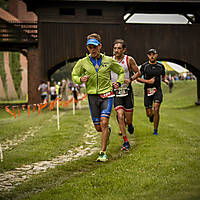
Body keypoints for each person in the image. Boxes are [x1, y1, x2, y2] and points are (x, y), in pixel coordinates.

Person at [72, 33, 125, 162]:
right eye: (90, 47)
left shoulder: (108, 60)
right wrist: (80, 79)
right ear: (87, 48)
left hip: (107, 94)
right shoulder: (82, 62)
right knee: (98, 128)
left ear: (100, 46)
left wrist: (118, 82)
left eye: (95, 47)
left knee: (104, 122)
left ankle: (102, 152)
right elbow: (74, 75)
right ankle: (107, 131)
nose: (92, 49)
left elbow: (121, 72)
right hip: (92, 96)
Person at [111, 39, 141, 151]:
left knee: (128, 120)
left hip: (127, 92)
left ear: (124, 49)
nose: (116, 50)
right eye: (115, 48)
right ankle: (126, 141)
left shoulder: (129, 59)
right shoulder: (110, 60)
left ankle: (130, 124)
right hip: (116, 93)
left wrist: (130, 79)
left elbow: (138, 72)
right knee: (120, 115)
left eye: (119, 48)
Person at [137, 49, 168, 135]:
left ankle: (155, 130)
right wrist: (148, 81)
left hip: (157, 90)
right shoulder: (144, 66)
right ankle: (151, 116)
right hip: (147, 91)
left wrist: (165, 80)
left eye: (153, 54)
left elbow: (163, 76)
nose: (152, 56)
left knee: (156, 108)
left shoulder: (161, 66)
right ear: (147, 56)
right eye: (150, 54)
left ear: (156, 55)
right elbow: (138, 78)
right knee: (149, 113)